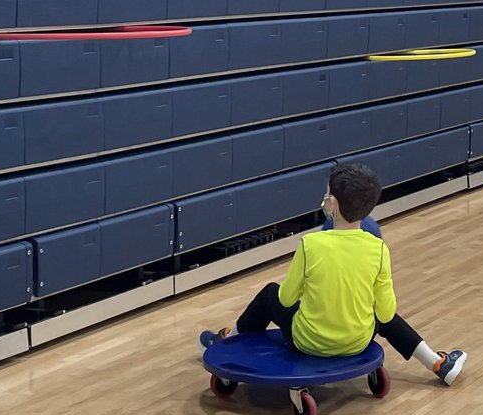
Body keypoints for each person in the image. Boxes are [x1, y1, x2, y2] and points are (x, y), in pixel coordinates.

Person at [200, 162, 467, 385]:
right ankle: (437, 363)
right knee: (378, 312)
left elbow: (285, 299)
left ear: (333, 204)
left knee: (270, 294)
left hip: (308, 342)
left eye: (327, 194)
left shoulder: (310, 244)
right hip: (358, 342)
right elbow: (386, 314)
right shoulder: (379, 249)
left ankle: (228, 339)